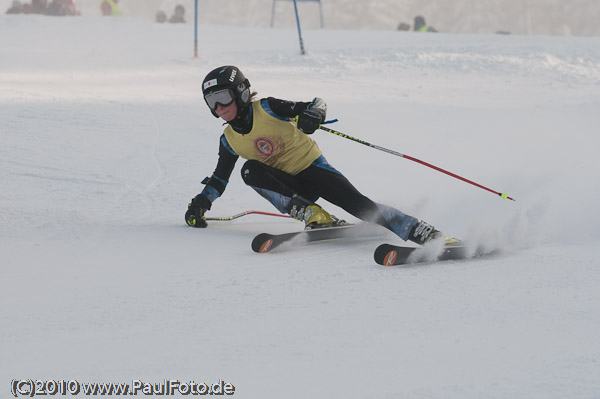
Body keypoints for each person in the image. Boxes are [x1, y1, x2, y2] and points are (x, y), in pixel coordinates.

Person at [185, 65, 448, 246]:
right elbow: (219, 179)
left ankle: (423, 232)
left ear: (241, 92)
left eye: (222, 98)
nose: (219, 108)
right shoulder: (229, 140)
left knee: (360, 206)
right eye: (211, 102)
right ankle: (312, 213)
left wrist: (314, 115)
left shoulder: (269, 108)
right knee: (249, 170)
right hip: (291, 189)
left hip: (315, 171)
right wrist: (201, 204)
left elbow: (316, 104)